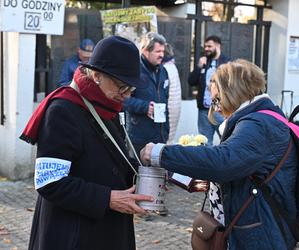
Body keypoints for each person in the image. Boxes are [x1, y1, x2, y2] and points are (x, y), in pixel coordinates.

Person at [141, 59, 298, 249]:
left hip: (261, 237)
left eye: (216, 100)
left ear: (233, 92)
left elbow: (224, 162)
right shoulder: (257, 118)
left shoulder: (258, 125)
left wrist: (160, 153)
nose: (215, 108)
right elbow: (240, 172)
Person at [20, 36, 154, 250]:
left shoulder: (106, 104)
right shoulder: (63, 110)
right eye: (122, 86)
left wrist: (146, 172)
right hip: (72, 233)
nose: (127, 95)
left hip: (107, 229)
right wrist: (107, 198)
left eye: (131, 89)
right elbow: (49, 181)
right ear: (97, 75)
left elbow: (109, 157)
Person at [123, 32, 169, 155]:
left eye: (163, 51)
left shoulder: (163, 70)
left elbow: (165, 100)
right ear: (145, 51)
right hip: (139, 136)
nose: (161, 55)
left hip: (160, 135)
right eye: (158, 52)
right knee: (140, 172)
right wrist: (145, 107)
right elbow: (121, 99)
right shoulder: (133, 70)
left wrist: (166, 131)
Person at [188, 35, 230, 145]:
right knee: (204, 142)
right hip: (204, 111)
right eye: (205, 46)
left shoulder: (227, 63)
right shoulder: (204, 62)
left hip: (221, 110)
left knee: (227, 140)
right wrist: (199, 66)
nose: (206, 49)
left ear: (218, 46)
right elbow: (191, 81)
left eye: (209, 46)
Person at [162, 43, 182, 145]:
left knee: (167, 140)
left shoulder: (165, 68)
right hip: (174, 107)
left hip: (169, 108)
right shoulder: (171, 65)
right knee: (169, 138)